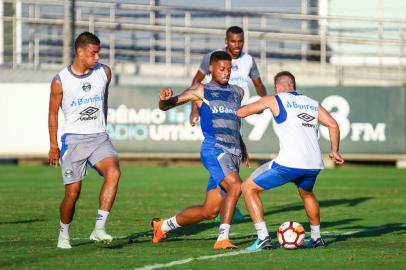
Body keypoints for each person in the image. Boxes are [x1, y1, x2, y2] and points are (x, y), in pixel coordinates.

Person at [237, 71, 344, 251]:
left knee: (248, 188)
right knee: (307, 194)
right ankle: (317, 238)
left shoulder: (275, 99)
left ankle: (263, 238)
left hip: (289, 163)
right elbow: (333, 124)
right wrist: (334, 151)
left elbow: (241, 112)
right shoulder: (312, 103)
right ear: (293, 85)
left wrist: (243, 102)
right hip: (313, 164)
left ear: (278, 86)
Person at [151, 51, 248, 249]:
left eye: (229, 69)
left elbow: (234, 122)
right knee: (236, 187)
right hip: (214, 148)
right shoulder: (201, 90)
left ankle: (163, 226)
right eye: (222, 69)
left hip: (233, 153)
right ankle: (222, 239)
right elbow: (169, 105)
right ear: (211, 68)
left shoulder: (238, 92)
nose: (226, 73)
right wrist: (163, 99)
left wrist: (242, 146)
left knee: (210, 211)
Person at [48, 32, 121, 249]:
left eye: (99, 52)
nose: (97, 57)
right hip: (73, 141)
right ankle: (64, 233)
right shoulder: (60, 81)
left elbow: (104, 100)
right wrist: (53, 145)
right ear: (80, 52)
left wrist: (102, 126)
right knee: (73, 193)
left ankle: (99, 228)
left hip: (99, 137)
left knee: (114, 172)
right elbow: (52, 114)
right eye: (93, 53)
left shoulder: (104, 72)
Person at [190, 26, 267, 221]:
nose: (237, 45)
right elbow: (196, 83)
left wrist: (266, 102)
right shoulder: (214, 58)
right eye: (233, 41)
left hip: (238, 111)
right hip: (214, 108)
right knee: (234, 182)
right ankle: (226, 228)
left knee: (210, 209)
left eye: (240, 41)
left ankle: (164, 226)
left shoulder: (249, 60)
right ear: (226, 40)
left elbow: (258, 83)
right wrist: (194, 109)